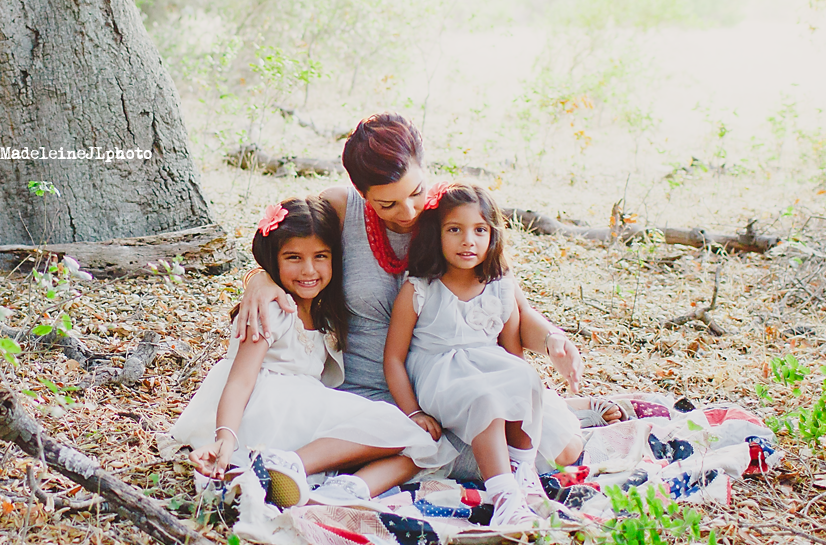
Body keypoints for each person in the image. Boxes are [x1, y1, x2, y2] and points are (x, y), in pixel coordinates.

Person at [234, 114, 585, 471]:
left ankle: (575, 410)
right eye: (387, 204)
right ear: (361, 192)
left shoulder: (456, 216)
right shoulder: (342, 207)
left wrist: (554, 338)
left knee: (561, 450)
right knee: (477, 459)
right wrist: (261, 279)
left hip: (459, 385)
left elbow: (510, 304)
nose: (409, 211)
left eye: (416, 192)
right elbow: (290, 248)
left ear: (425, 167)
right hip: (372, 391)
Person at [172, 196, 449, 507]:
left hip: (303, 414)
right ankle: (286, 465)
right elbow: (240, 379)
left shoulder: (324, 313)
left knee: (421, 446)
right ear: (272, 259)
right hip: (268, 410)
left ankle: (347, 490)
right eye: (293, 257)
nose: (308, 269)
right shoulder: (270, 309)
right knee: (405, 432)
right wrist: (225, 436)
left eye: (321, 256)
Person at [382, 182, 554, 528]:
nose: (468, 241)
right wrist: (413, 411)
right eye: (454, 230)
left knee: (526, 380)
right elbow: (394, 359)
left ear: (493, 235)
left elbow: (512, 355)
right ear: (436, 234)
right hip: (439, 374)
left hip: (487, 364)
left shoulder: (500, 287)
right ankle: (505, 497)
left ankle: (523, 471)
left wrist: (521, 389)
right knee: (485, 399)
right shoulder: (419, 289)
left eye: (480, 230)